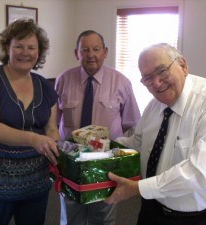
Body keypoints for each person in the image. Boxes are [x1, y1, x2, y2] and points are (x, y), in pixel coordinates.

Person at [105, 43, 206, 225]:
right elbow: (138, 142)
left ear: (183, 65)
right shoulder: (155, 104)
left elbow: (199, 172)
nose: (156, 83)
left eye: (162, 71)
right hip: (154, 206)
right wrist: (104, 148)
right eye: (147, 78)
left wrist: (138, 188)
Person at [0, 19, 60, 225]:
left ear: (39, 52)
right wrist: (34, 139)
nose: (26, 52)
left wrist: (58, 149)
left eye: (32, 47)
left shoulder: (45, 86)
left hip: (35, 180)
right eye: (19, 46)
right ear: (8, 47)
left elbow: (51, 128)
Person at [55, 30, 141, 225]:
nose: (90, 54)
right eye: (84, 49)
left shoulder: (121, 82)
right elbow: (53, 122)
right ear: (76, 53)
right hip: (71, 163)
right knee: (70, 217)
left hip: (105, 165)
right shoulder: (63, 80)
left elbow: (132, 125)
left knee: (103, 217)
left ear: (105, 52)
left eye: (96, 49)